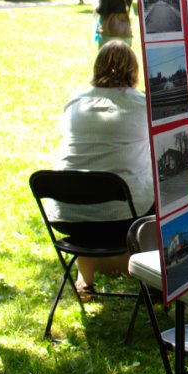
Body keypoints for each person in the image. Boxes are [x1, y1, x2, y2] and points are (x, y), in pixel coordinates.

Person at [48, 41, 154, 292]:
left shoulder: (75, 102)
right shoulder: (141, 106)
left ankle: (86, 279)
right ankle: (152, 277)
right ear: (134, 71)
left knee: (88, 191)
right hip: (121, 220)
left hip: (66, 216)